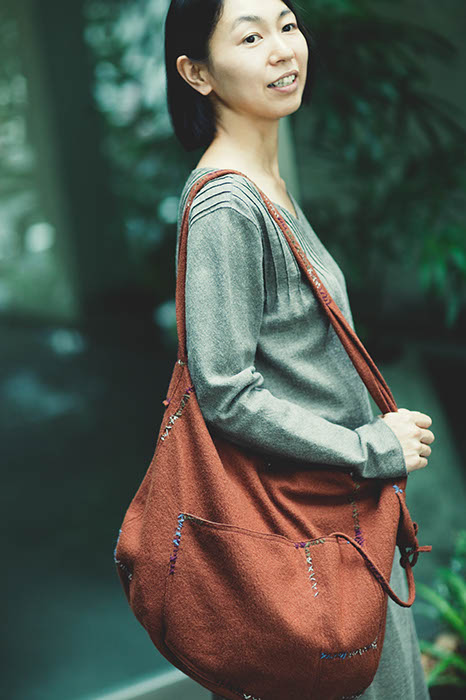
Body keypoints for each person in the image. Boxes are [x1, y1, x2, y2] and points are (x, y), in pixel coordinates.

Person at [165, 0, 435, 698]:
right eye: (250, 36)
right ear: (196, 72)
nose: (283, 50)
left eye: (287, 25)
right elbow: (225, 389)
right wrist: (371, 446)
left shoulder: (269, 185)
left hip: (340, 524)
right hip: (310, 533)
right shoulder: (228, 207)